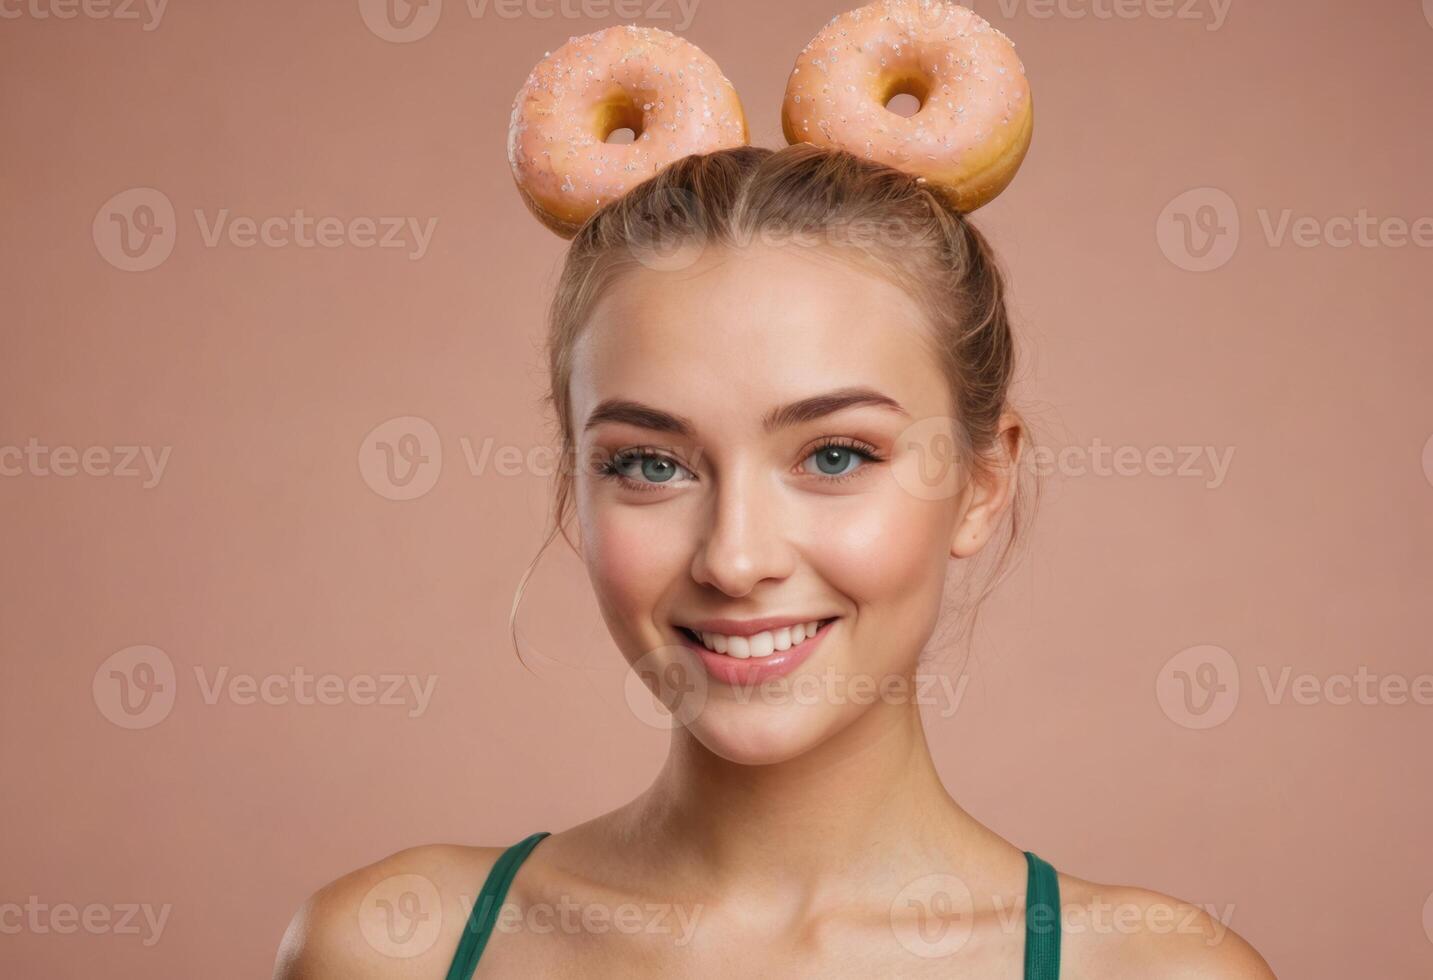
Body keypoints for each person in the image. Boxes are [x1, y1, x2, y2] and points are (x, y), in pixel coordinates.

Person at [272, 143, 1276, 978]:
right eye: (650, 463)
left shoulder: (1162, 970)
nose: (735, 557)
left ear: (979, 481)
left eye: (835, 454)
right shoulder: (387, 947)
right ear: (571, 490)